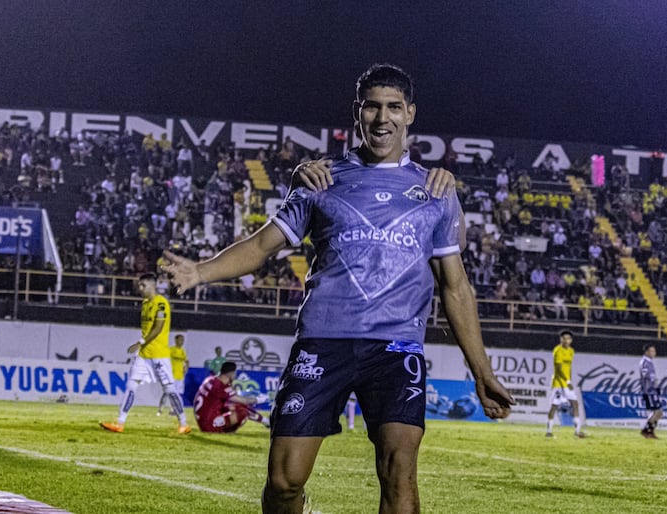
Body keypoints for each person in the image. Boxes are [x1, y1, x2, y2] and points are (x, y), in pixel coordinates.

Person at [163, 63, 514, 514]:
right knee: (284, 479)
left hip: (396, 348)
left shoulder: (435, 191)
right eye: (372, 107)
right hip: (323, 342)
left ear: (409, 113)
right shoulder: (320, 180)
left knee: (399, 472)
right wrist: (200, 272)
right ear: (357, 112)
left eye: (393, 107)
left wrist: (481, 371)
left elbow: (456, 287)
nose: (382, 118)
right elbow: (261, 246)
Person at [100, 273, 191, 434]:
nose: (140, 289)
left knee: (169, 390)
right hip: (143, 355)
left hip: (159, 355)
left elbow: (158, 328)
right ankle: (120, 422)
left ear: (152, 285)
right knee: (131, 386)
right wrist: (141, 346)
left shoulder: (161, 303)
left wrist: (139, 343)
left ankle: (183, 423)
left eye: (143, 285)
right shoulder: (145, 303)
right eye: (139, 285)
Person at [193, 361, 269, 432]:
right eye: (234, 373)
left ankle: (266, 421)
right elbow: (244, 401)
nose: (235, 375)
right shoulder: (220, 386)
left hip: (203, 418)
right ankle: (266, 421)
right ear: (230, 373)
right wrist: (259, 399)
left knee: (235, 406)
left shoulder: (210, 379)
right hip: (208, 424)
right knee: (242, 411)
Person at [546, 329, 586, 438]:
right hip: (558, 383)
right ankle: (549, 431)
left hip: (567, 383)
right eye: (564, 338)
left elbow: (568, 368)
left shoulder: (571, 351)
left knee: (575, 403)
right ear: (560, 339)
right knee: (554, 406)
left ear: (571, 340)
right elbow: (558, 369)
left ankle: (577, 432)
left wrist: (569, 379)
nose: (566, 340)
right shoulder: (558, 350)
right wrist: (567, 381)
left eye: (568, 338)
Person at [157, 334, 189, 416]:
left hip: (180, 376)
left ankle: (172, 410)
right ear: (175, 340)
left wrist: (186, 369)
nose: (182, 342)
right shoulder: (171, 350)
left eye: (183, 340)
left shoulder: (183, 351)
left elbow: (187, 361)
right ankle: (160, 409)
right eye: (180, 339)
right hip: (171, 376)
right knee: (166, 393)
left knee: (176, 394)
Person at [639, 344, 663, 439]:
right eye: (652, 351)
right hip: (649, 391)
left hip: (652, 390)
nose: (654, 353)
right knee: (658, 411)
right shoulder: (645, 362)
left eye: (654, 351)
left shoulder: (649, 362)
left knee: (659, 412)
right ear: (647, 352)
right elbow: (646, 375)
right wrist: (653, 382)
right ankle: (647, 430)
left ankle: (648, 430)